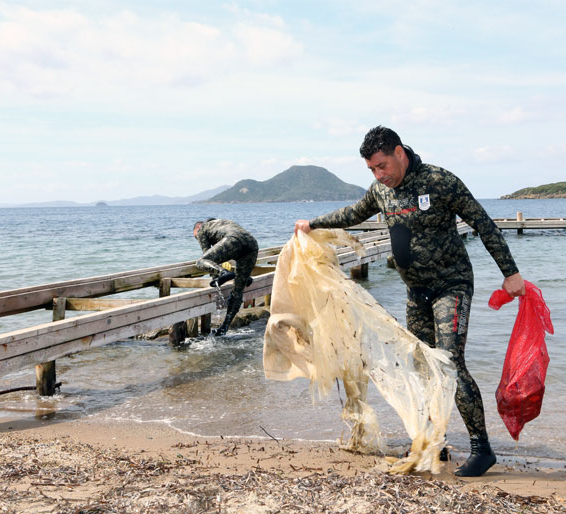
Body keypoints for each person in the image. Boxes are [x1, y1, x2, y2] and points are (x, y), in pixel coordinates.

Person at [295, 126, 525, 477]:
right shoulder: (381, 191)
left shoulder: (440, 181)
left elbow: (483, 223)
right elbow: (353, 214)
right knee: (422, 367)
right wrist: (312, 224)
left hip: (451, 285)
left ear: (399, 153)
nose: (379, 175)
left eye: (382, 166)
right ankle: (434, 442)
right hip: (416, 292)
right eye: (372, 169)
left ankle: (482, 449)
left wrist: (510, 273)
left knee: (449, 363)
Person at [193, 218, 259, 336]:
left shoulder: (202, 229)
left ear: (198, 227)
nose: (198, 239)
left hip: (233, 239)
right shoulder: (222, 224)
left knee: (201, 262)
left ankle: (224, 273)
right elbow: (228, 249)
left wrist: (216, 276)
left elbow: (207, 255)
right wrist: (243, 275)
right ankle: (224, 327)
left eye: (196, 237)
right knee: (238, 291)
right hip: (252, 244)